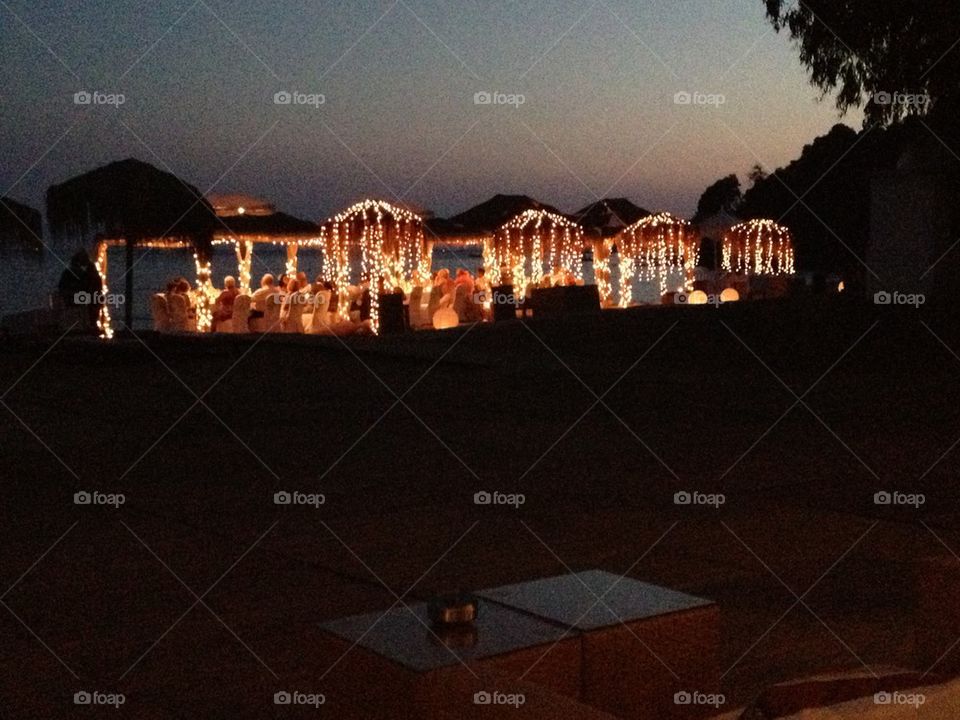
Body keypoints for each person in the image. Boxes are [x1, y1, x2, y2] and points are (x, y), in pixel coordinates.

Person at [58, 249, 102, 328]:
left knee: (95, 299)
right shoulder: (81, 273)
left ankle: (91, 323)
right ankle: (92, 324)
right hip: (76, 299)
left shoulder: (85, 273)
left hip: (80, 299)